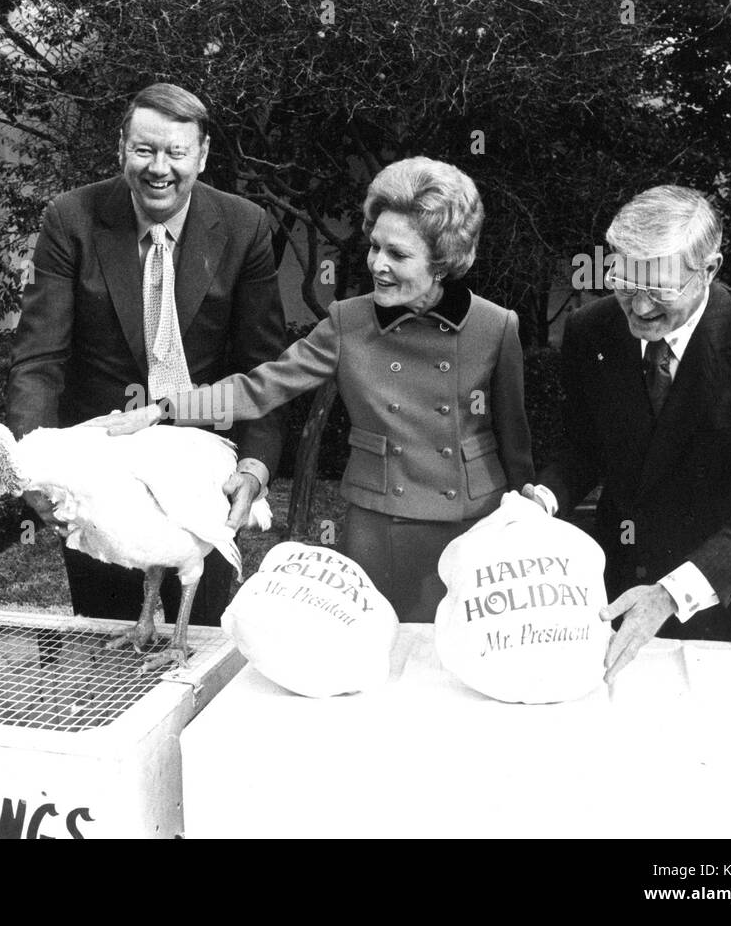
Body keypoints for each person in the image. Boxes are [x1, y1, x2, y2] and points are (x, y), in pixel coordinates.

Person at [93, 157, 535, 622]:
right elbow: (263, 385)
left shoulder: (496, 326)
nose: (378, 266)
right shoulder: (349, 322)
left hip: (475, 524)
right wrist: (162, 409)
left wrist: (527, 513)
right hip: (379, 523)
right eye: (374, 247)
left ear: (443, 261)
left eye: (398, 255)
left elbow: (514, 440)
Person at [5, 82, 287, 627]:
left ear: (201, 156)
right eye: (145, 150)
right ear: (121, 149)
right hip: (98, 478)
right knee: (105, 644)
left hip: (198, 477)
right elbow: (39, 359)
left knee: (198, 639)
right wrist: (33, 467)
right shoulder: (72, 218)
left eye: (177, 152)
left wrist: (253, 467)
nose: (160, 168)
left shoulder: (244, 227)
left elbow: (264, 369)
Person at [523, 185, 731, 679]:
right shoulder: (589, 332)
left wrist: (668, 595)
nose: (639, 309)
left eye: (660, 290)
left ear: (710, 269)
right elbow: (585, 449)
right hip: (624, 589)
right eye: (623, 285)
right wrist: (542, 502)